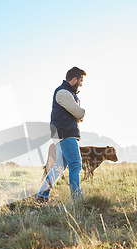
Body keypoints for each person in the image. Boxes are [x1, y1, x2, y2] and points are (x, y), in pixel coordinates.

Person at [36, 67, 86, 203]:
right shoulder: (64, 93)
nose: (81, 84)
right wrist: (81, 113)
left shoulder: (67, 93)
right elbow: (80, 113)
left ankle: (42, 195)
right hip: (66, 134)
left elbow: (76, 113)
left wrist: (78, 113)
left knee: (59, 166)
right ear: (74, 79)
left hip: (62, 134)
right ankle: (77, 198)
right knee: (75, 165)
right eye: (81, 81)